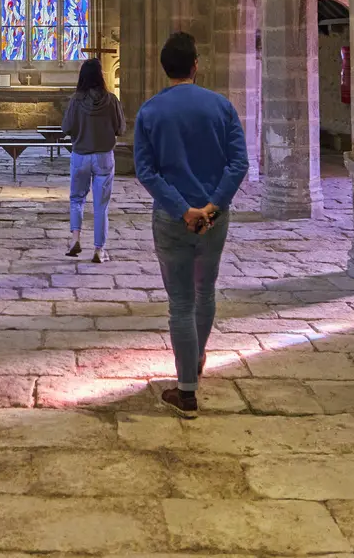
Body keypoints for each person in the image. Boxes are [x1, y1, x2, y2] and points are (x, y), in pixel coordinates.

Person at [133, 31, 248, 418]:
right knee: (205, 290)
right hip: (214, 219)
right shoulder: (221, 107)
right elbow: (238, 163)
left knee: (181, 302)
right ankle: (195, 358)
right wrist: (212, 207)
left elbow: (146, 171)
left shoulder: (150, 112)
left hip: (172, 218)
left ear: (164, 68)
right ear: (195, 65)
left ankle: (186, 391)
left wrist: (184, 210)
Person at [62, 58, 125, 261]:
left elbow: (66, 127)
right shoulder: (111, 100)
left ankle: (75, 239)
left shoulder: (76, 100)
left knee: (76, 199)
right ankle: (99, 249)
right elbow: (121, 128)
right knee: (101, 206)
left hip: (80, 155)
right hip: (104, 157)